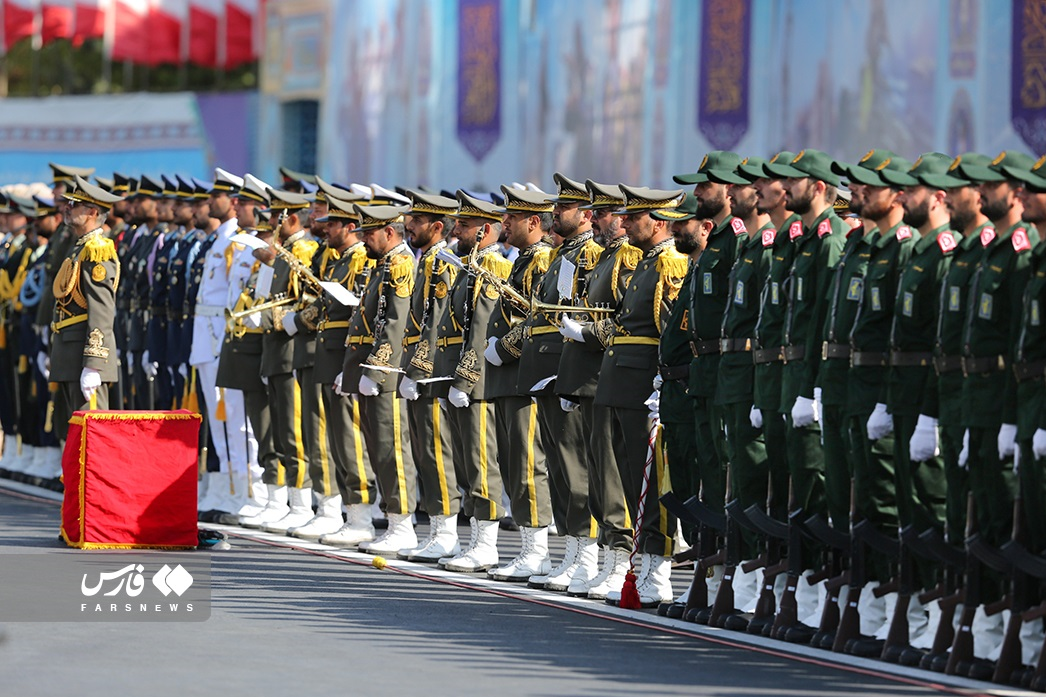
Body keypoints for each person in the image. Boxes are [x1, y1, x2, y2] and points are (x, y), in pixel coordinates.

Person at [339, 202, 419, 556]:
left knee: (392, 448)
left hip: (387, 371)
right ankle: (391, 518)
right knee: (377, 446)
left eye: (369, 234)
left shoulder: (400, 265)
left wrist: (377, 370)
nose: (363, 241)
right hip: (371, 369)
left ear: (389, 233)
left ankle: (402, 522)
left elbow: (395, 323)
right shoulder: (383, 265)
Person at [397, 190, 462, 561]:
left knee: (438, 450)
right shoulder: (427, 260)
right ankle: (439, 528)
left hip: (433, 369)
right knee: (427, 448)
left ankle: (446, 530)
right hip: (423, 367)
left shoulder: (442, 262)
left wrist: (418, 369)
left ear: (437, 227)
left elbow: (435, 324)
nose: (409, 225)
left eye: (417, 221)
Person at [49, 175, 122, 441]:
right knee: (76, 437)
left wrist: (94, 365)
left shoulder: (97, 250)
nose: (68, 208)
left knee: (91, 439)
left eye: (75, 204)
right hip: (69, 353)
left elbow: (102, 310)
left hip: (84, 356)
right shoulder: (79, 247)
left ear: (92, 212)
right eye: (69, 202)